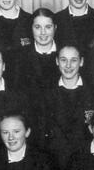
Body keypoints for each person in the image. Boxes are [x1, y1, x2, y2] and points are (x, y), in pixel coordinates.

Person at [42, 43, 94, 170]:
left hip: (86, 165)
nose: (68, 66)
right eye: (63, 60)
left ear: (81, 62)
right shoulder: (45, 95)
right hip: (54, 165)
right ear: (57, 61)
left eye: (73, 60)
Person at [10, 7, 60, 138]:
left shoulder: (66, 54)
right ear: (31, 29)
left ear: (55, 28)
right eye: (38, 27)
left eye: (48, 27)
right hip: (32, 128)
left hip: (61, 128)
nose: (43, 32)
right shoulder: (20, 57)